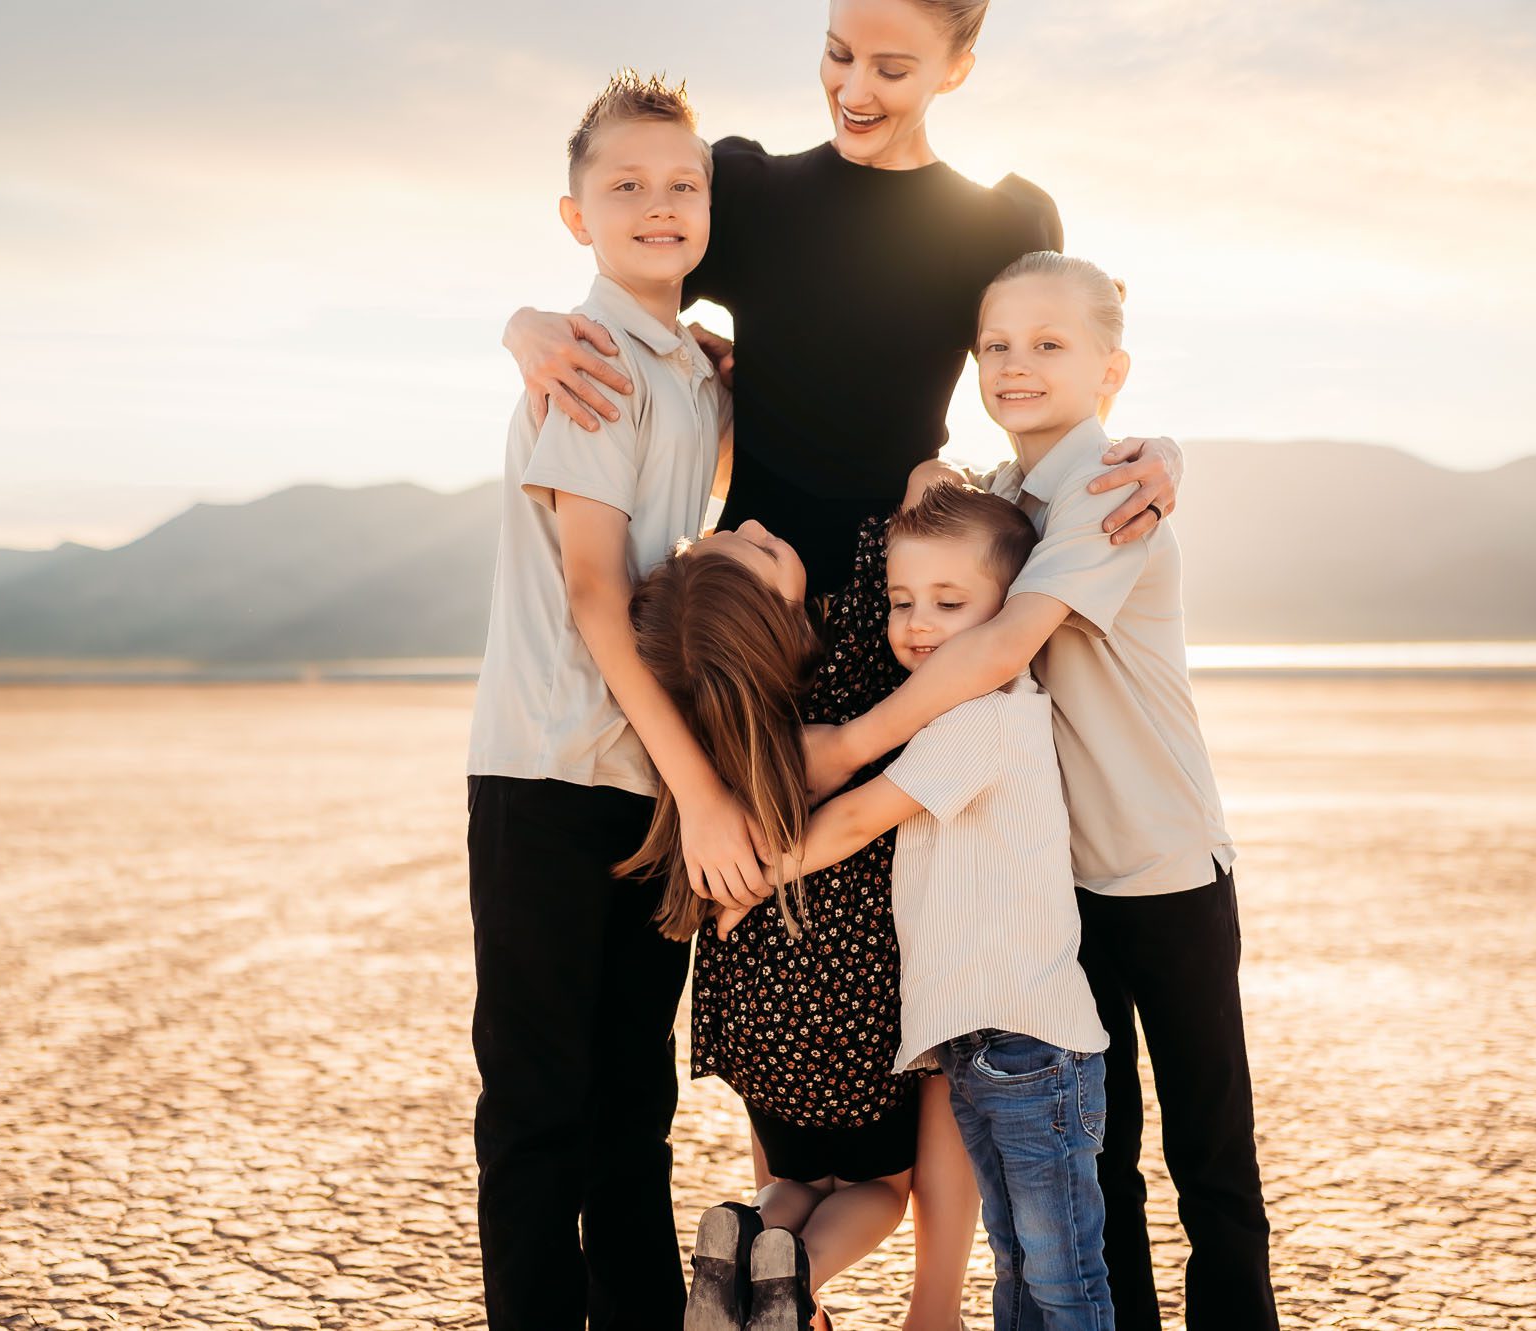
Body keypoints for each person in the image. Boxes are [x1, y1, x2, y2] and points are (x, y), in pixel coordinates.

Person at [503, 7, 1186, 1322]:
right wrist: (526, 323)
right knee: (769, 940)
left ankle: (927, 1301)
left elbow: (1069, 349)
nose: (853, 87)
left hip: (915, 604)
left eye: (890, 65)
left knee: (922, 952)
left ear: (958, 67)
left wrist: (1163, 450)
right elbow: (634, 270)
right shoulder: (750, 184)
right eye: (835, 52)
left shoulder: (1002, 214)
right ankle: (786, 1272)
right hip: (750, 619)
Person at [807, 252, 1282, 1329]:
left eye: (1047, 344)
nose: (1015, 364)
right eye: (995, 345)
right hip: (1058, 888)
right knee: (1096, 1159)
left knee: (1211, 1154)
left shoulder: (1110, 488)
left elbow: (1006, 639)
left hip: (1161, 865)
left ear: (1110, 370)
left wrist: (847, 745)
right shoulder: (1007, 497)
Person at [464, 73, 769, 1331]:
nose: (658, 204)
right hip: (548, 773)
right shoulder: (588, 360)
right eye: (624, 186)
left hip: (645, 777)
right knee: (539, 1108)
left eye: (681, 184)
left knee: (630, 1111)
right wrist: (704, 793)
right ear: (574, 213)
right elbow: (598, 595)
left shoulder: (698, 373)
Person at [717, 482, 1116, 1329]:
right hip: (983, 1040)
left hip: (1027, 1039)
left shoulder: (984, 721)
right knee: (1021, 1259)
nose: (917, 623)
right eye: (901, 601)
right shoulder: (946, 720)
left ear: (1009, 613)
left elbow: (858, 817)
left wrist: (753, 875)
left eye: (948, 601)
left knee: (1059, 1269)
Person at [625, 515, 921, 1331]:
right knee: (879, 1187)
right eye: (756, 550)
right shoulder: (853, 663)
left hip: (754, 1017)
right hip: (851, 1005)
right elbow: (889, 565)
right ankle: (799, 1276)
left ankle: (748, 1233)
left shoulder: (710, 738)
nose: (754, 521)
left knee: (796, 1180)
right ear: (784, 624)